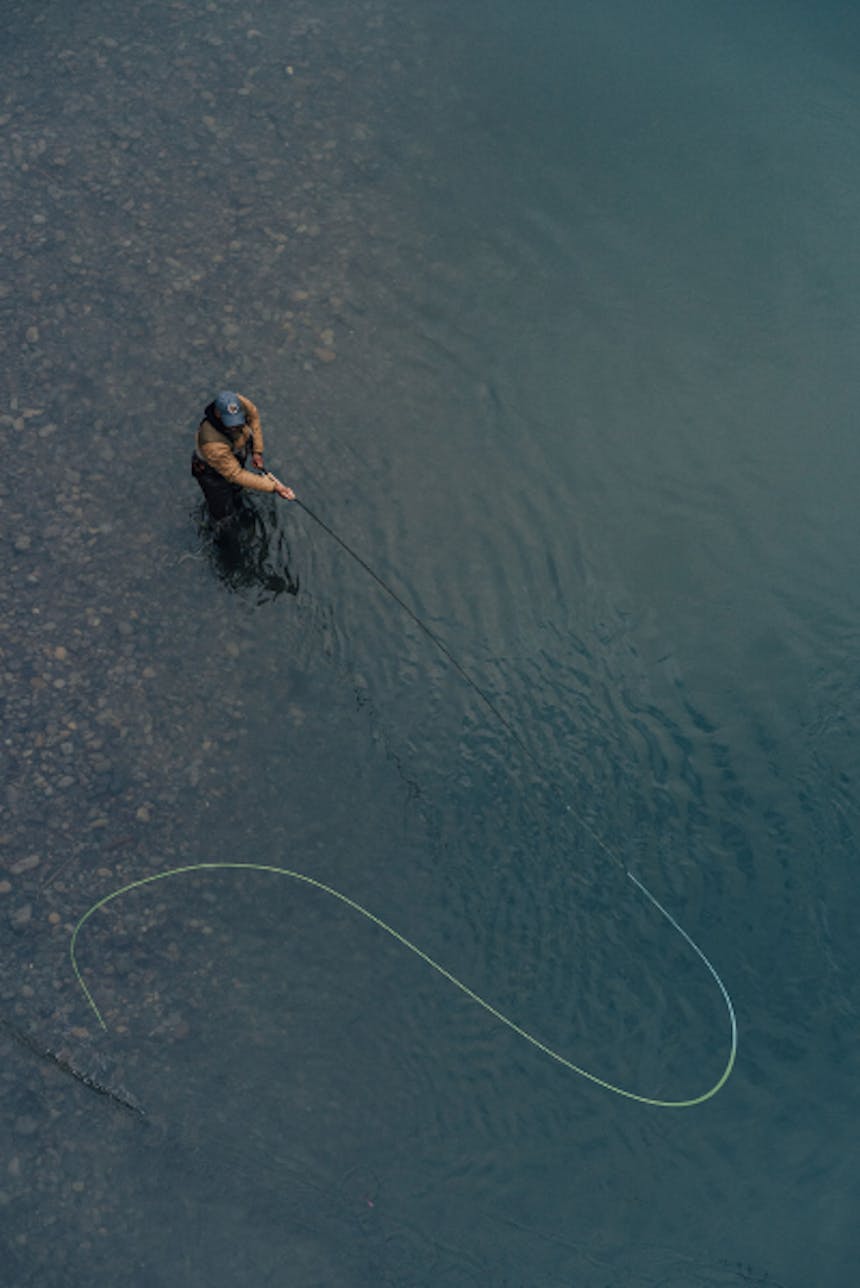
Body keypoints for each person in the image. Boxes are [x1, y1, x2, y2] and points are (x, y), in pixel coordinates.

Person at [191, 390, 294, 523]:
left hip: (233, 456)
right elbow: (235, 474)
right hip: (213, 475)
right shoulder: (212, 443)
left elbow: (254, 417)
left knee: (237, 490)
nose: (236, 426)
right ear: (217, 414)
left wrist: (257, 452)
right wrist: (273, 487)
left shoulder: (239, 403)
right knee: (224, 516)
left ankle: (236, 494)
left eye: (238, 422)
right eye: (231, 423)